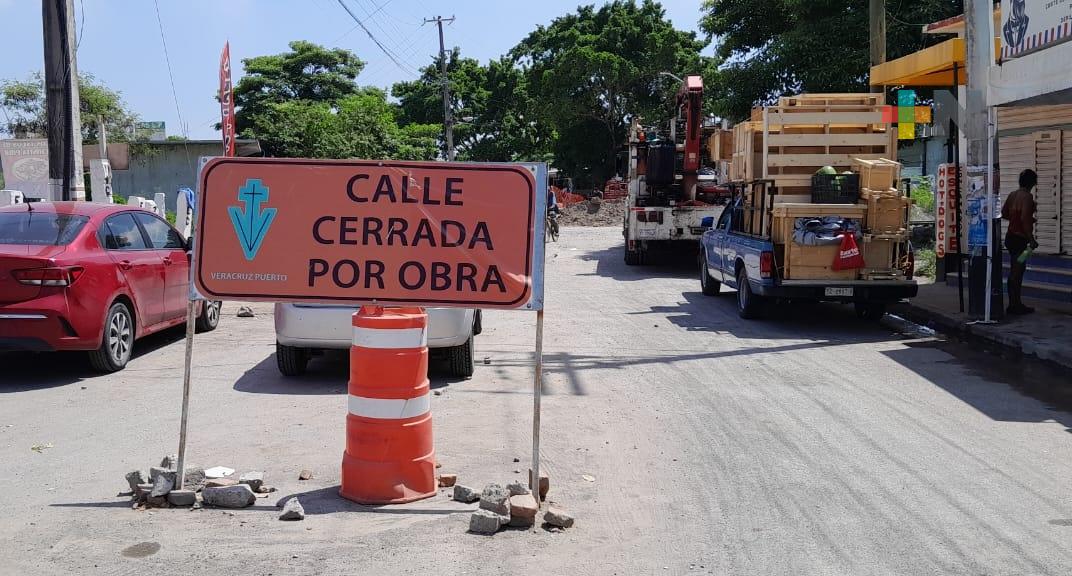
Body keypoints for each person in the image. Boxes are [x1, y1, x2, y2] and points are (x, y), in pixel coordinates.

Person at [1001, 168, 1039, 315]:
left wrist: (1017, 220)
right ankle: (1014, 305)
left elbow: (1005, 213)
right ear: (1032, 183)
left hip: (1010, 237)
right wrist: (1032, 239)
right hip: (1020, 239)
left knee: (1017, 269)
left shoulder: (1012, 195)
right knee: (1017, 272)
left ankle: (1015, 303)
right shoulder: (1027, 197)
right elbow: (1024, 219)